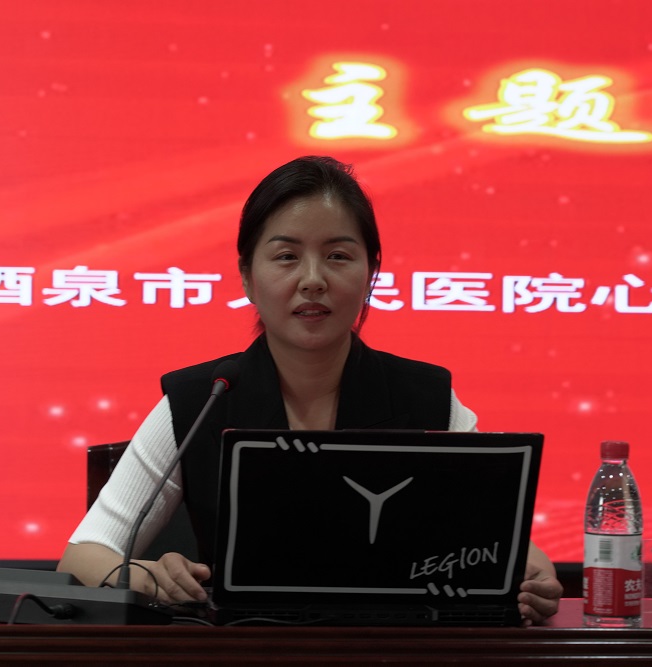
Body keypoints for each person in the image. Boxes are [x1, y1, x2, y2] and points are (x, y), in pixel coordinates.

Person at [58, 156, 562, 625]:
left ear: (371, 273)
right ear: (247, 277)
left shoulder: (427, 398)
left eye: (338, 256)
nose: (313, 280)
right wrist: (146, 576)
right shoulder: (200, 400)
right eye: (286, 257)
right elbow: (83, 554)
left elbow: (503, 548)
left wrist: (530, 571)